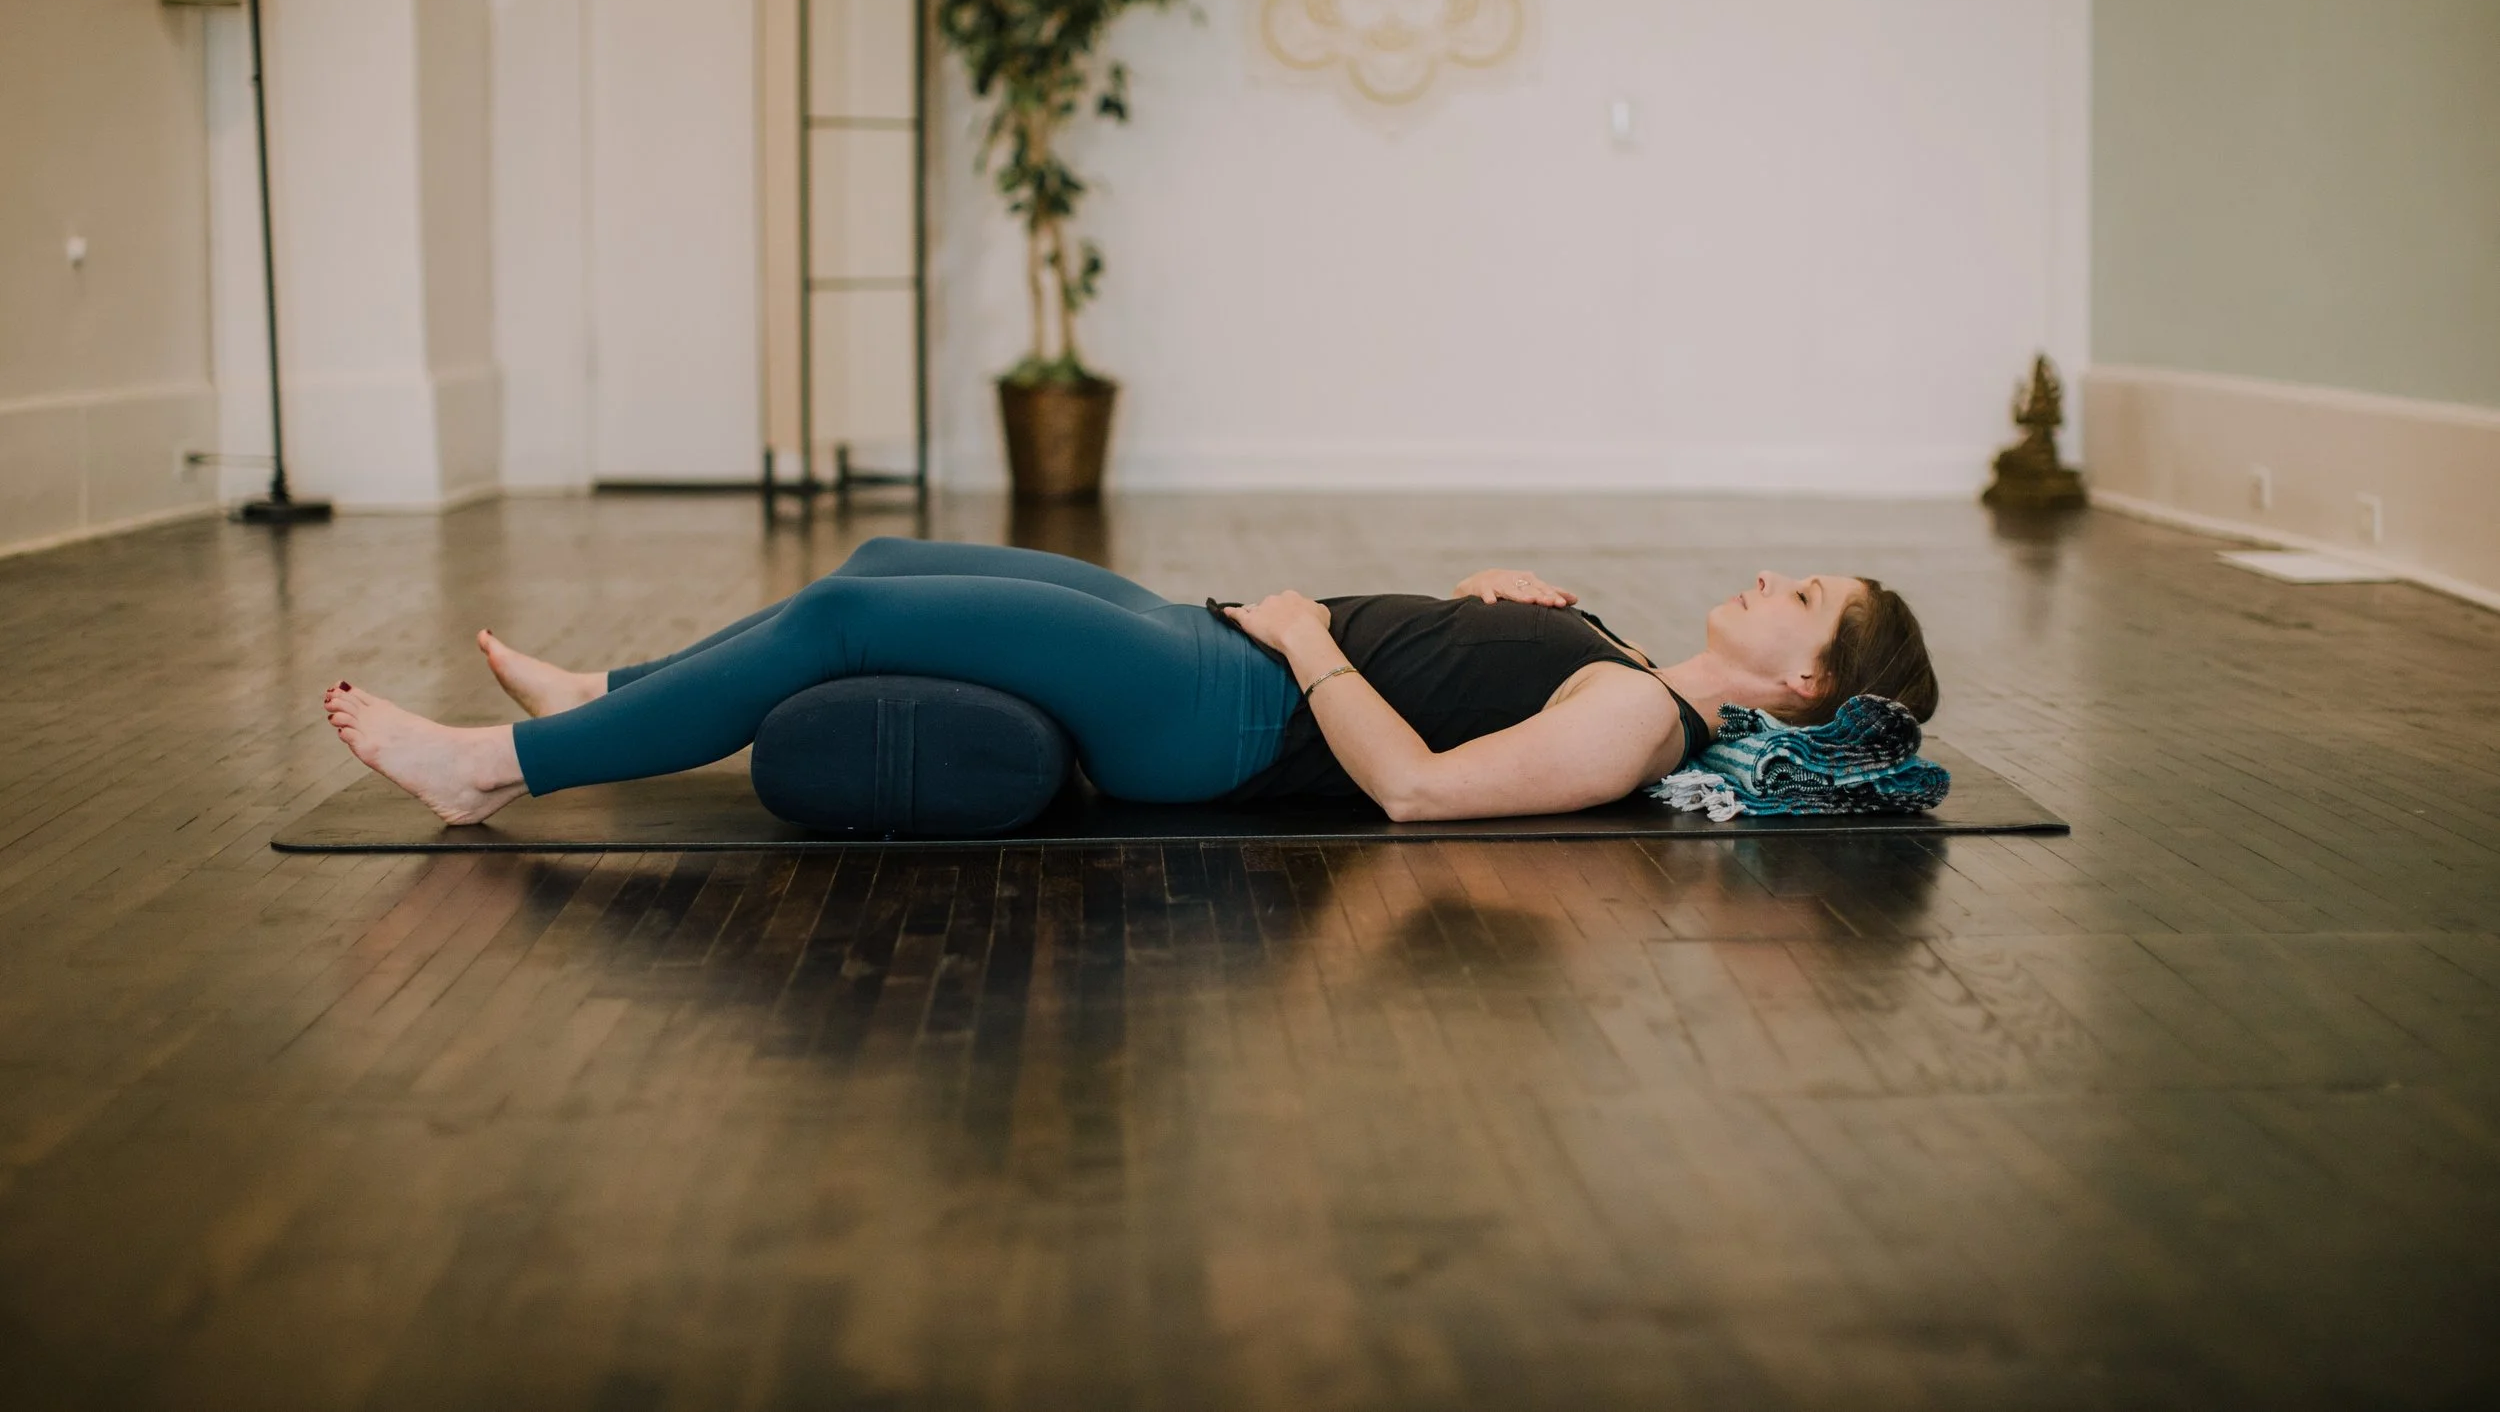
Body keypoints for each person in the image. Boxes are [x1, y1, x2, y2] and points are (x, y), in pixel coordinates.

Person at [322, 536, 1938, 827]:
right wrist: (1486, 604)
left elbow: (1419, 793)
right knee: (888, 556)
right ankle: (608, 683)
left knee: (839, 617)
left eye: (1808, 595)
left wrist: (1313, 643)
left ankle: (499, 766)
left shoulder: (1640, 719)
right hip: (1214, 643)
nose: (1777, 574)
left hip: (1216, 709)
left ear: (1803, 681)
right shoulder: (1631, 667)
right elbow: (1456, 691)